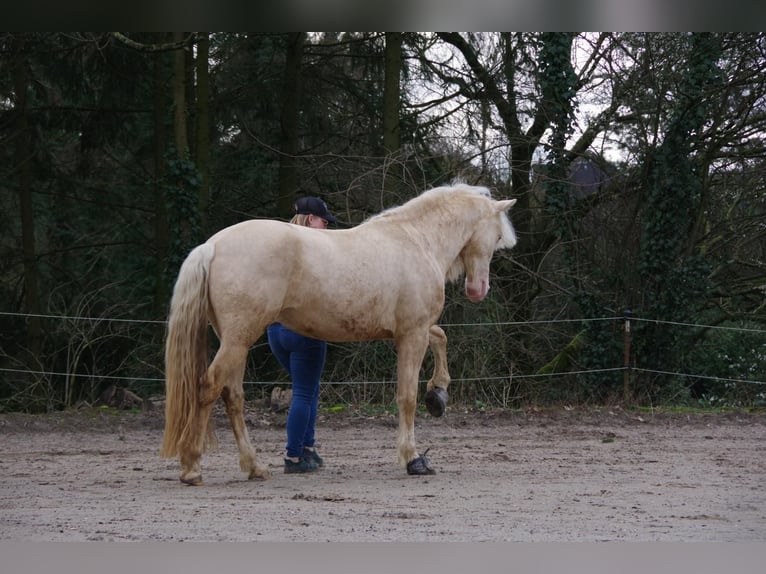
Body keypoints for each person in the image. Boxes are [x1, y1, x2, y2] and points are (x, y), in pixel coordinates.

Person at [267, 196, 337, 474]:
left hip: (275, 332)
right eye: (324, 221)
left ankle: (308, 448)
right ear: (311, 219)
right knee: (304, 392)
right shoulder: (315, 251)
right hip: (305, 331)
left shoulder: (280, 250)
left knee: (308, 389)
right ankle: (293, 456)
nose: (327, 228)